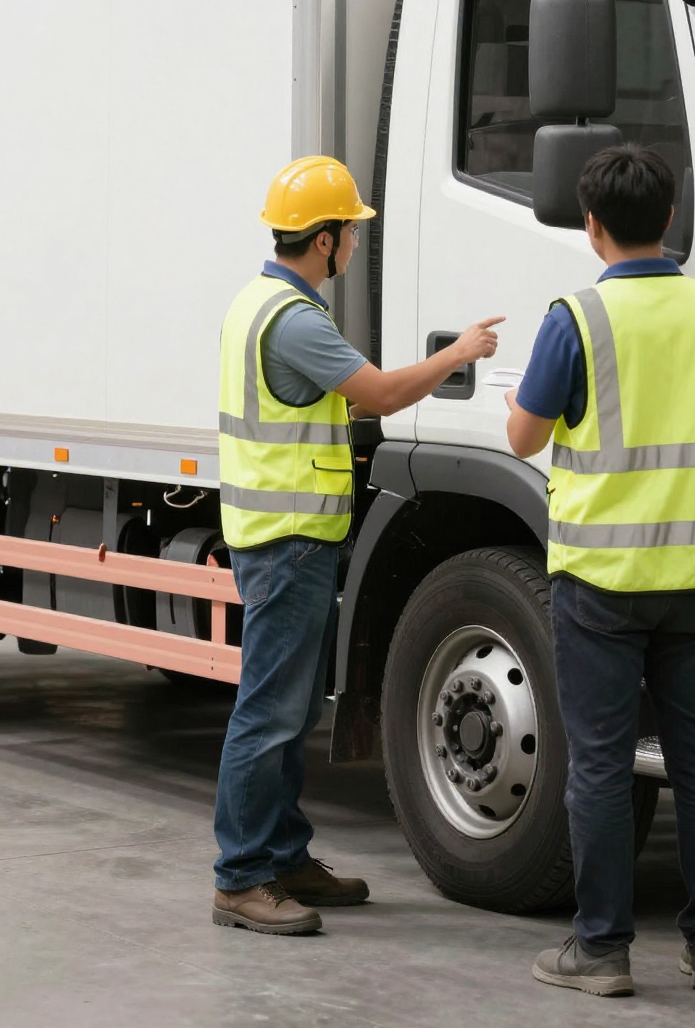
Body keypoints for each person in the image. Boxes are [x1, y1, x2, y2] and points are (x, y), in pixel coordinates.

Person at [212, 154, 502, 936]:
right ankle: (241, 878)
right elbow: (379, 393)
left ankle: (283, 857)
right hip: (288, 542)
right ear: (325, 239)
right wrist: (457, 353)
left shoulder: (257, 302)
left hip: (283, 538)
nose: (354, 243)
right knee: (269, 714)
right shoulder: (296, 320)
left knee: (290, 708)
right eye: (350, 231)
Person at [505, 144, 695, 997]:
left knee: (601, 765)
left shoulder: (576, 319)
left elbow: (523, 437)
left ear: (592, 226)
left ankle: (603, 951)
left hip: (600, 583)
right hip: (694, 577)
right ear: (669, 219)